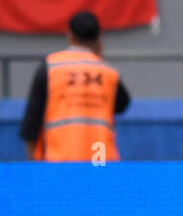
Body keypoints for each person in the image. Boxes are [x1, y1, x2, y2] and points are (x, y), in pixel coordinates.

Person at [20, 11, 131, 161]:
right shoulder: (107, 72)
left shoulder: (50, 67)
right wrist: (98, 57)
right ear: (98, 38)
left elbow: (31, 122)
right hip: (100, 160)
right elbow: (122, 105)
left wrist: (34, 165)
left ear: (70, 35)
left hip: (59, 160)